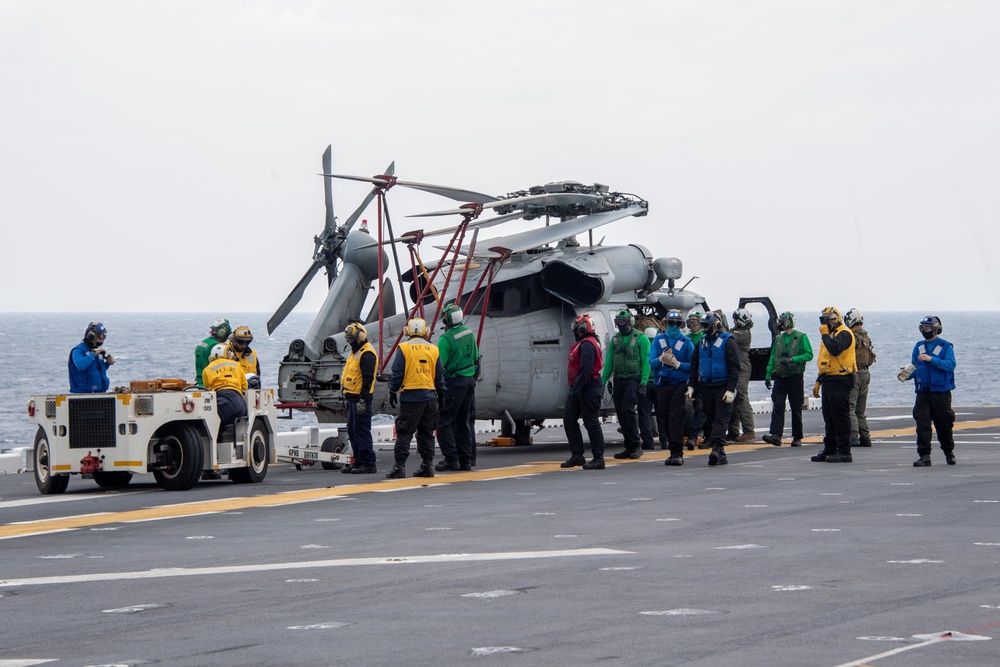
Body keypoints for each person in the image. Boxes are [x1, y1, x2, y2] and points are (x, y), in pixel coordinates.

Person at [386, 318, 446, 479]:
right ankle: (427, 465)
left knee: (405, 432)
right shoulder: (433, 349)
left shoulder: (404, 348)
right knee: (426, 433)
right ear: (425, 331)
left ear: (408, 331)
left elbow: (397, 373)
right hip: (429, 398)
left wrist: (392, 390)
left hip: (411, 398)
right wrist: (442, 395)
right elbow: (439, 376)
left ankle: (399, 467)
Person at [903, 315, 957, 467]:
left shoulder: (945, 346)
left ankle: (948, 452)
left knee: (944, 424)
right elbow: (915, 366)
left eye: (927, 328)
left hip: (941, 392)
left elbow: (950, 365)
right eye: (922, 327)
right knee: (922, 424)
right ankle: (924, 455)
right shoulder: (919, 346)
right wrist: (906, 374)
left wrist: (931, 359)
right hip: (923, 392)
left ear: (936, 329)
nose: (925, 330)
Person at [688, 312, 740, 466]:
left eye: (706, 326)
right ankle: (721, 454)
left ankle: (716, 448)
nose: (704, 329)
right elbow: (694, 365)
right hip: (705, 387)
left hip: (722, 386)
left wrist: (731, 389)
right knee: (710, 418)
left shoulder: (728, 341)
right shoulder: (702, 342)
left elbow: (735, 367)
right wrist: (691, 386)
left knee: (721, 418)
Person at [435, 304, 479, 472]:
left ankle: (451, 459)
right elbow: (476, 358)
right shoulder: (469, 333)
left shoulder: (445, 339)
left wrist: (437, 388)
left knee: (445, 422)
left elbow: (439, 366)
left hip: (453, 383)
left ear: (447, 319)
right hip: (468, 382)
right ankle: (466, 461)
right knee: (464, 422)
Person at [602, 308, 651, 459]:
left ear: (630, 322)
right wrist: (602, 382)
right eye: (618, 322)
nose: (621, 325)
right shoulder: (615, 340)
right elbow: (609, 361)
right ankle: (628, 446)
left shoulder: (641, 338)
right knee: (621, 413)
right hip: (619, 379)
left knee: (628, 411)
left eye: (623, 322)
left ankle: (636, 445)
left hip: (633, 379)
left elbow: (646, 362)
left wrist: (643, 382)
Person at [810, 307, 857, 463]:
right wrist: (819, 380)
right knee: (829, 417)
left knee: (840, 416)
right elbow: (827, 362)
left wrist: (824, 335)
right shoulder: (829, 336)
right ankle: (830, 448)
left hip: (841, 379)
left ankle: (844, 451)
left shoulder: (844, 333)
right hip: (829, 379)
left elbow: (835, 349)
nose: (824, 324)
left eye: (826, 320)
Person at [561, 314, 607, 470]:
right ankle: (577, 455)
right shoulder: (583, 344)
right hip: (580, 387)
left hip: (588, 387)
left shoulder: (587, 345)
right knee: (569, 418)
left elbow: (586, 370)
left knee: (591, 422)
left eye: (577, 327)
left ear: (583, 328)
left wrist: (575, 390)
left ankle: (598, 458)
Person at [761, 312, 813, 447]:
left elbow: (809, 354)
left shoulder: (801, 337)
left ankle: (797, 436)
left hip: (795, 377)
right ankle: (776, 435)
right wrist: (768, 375)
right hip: (780, 377)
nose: (780, 324)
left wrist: (793, 360)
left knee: (796, 407)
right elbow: (773, 357)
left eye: (782, 321)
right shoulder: (778, 339)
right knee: (778, 405)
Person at [650, 310, 695, 466]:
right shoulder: (658, 341)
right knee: (665, 418)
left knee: (676, 418)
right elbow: (651, 361)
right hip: (662, 385)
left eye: (677, 324)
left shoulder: (686, 343)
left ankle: (677, 453)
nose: (674, 326)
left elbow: (693, 366)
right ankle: (672, 450)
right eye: (671, 323)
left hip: (679, 385)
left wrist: (678, 364)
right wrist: (661, 359)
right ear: (666, 324)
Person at [340, 321, 378, 475]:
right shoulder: (355, 352)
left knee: (361, 431)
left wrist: (363, 400)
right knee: (352, 431)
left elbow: (368, 380)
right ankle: (358, 461)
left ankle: (369, 463)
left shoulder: (367, 354)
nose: (350, 342)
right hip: (351, 398)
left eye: (352, 339)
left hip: (360, 399)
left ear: (360, 337)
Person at [844, 309, 876, 447]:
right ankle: (865, 437)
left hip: (855, 374)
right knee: (860, 410)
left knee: (850, 406)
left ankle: (853, 436)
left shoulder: (852, 337)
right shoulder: (866, 337)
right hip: (866, 373)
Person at [726, 308, 757, 443]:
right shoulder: (738, 332)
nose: (734, 321)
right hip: (734, 367)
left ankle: (749, 430)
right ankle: (733, 431)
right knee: (732, 398)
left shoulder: (742, 334)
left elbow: (728, 337)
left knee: (741, 397)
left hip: (742, 368)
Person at [202, 343, 248, 432]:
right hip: (241, 404)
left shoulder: (207, 369)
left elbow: (207, 390)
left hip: (225, 398)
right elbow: (244, 386)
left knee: (209, 420)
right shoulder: (237, 365)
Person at [69, 321, 115, 393]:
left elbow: (98, 369)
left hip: (99, 392)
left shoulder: (97, 350)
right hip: (82, 395)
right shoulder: (78, 350)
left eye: (105, 335)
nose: (103, 338)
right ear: (92, 336)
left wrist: (107, 363)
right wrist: (93, 353)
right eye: (102, 335)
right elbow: (80, 365)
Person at [683, 311, 707, 450]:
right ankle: (697, 434)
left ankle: (700, 434)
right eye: (690, 321)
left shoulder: (704, 338)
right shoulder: (687, 339)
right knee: (699, 408)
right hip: (693, 377)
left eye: (695, 321)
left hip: (704, 377)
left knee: (702, 408)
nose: (692, 324)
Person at [638, 326, 660, 451]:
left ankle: (648, 441)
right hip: (659, 383)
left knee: (644, 414)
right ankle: (665, 440)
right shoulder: (661, 346)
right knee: (661, 413)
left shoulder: (642, 345)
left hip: (645, 383)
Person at [195, 318, 231, 385]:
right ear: (222, 332)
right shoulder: (216, 346)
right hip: (211, 381)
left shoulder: (203, 342)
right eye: (227, 335)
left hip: (201, 381)